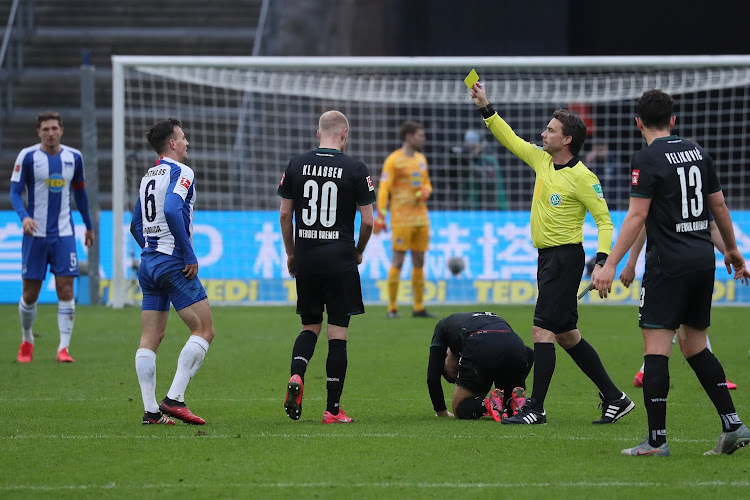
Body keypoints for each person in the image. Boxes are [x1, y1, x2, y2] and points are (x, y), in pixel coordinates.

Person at [593, 89, 750, 456]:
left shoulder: (646, 158)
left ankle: (656, 441)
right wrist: (731, 251)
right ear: (673, 120)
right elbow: (719, 206)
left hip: (668, 265)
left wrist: (612, 264)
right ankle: (733, 425)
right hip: (701, 261)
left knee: (656, 349)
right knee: (695, 345)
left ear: (638, 123)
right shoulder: (699, 153)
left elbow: (636, 216)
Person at [469, 82, 634, 426]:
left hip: (565, 259)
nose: (543, 134)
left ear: (567, 139)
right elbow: (510, 138)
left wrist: (603, 260)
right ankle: (616, 398)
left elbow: (605, 222)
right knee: (566, 335)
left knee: (541, 331)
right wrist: (486, 107)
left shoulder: (583, 177)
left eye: (550, 130)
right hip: (547, 260)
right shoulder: (542, 160)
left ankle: (536, 409)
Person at [278, 110, 375, 424]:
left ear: (319, 134)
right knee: (337, 334)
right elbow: (369, 220)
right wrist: (358, 251)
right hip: (340, 260)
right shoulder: (356, 169)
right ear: (344, 134)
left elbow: (284, 215)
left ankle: (297, 374)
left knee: (309, 327)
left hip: (307, 258)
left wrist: (292, 254)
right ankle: (332, 409)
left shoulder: (296, 164)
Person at [130, 118, 215, 426]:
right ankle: (174, 399)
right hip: (173, 262)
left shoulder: (147, 177)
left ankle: (151, 411)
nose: (187, 142)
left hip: (149, 263)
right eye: (183, 137)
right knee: (204, 330)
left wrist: (151, 249)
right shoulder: (182, 172)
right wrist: (187, 253)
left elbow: (135, 225)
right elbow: (171, 209)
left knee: (150, 337)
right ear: (172, 144)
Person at [10, 111, 94, 364]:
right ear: (39, 132)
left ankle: (63, 348)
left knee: (66, 289)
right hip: (35, 234)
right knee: (30, 294)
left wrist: (88, 226)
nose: (50, 133)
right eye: (45, 129)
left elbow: (80, 194)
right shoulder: (27, 156)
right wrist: (24, 216)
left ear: (61, 130)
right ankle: (27, 340)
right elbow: (15, 192)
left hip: (64, 234)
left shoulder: (74, 157)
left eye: (54, 128)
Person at [621, 219, 738, 389]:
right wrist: (630, 264)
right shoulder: (661, 195)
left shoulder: (695, 196)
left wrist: (731, 252)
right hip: (666, 270)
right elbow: (641, 221)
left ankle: (645, 373)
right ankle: (715, 377)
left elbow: (712, 226)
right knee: (681, 323)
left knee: (686, 324)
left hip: (690, 267)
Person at [374, 121, 435, 318]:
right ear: (408, 136)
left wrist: (426, 190)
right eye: (420, 135)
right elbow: (384, 189)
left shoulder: (421, 159)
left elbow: (427, 184)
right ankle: (392, 307)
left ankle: (418, 307)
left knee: (419, 261)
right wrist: (381, 215)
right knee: (398, 261)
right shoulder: (394, 160)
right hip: (401, 219)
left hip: (421, 218)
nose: (423, 139)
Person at [427, 312, 533, 421]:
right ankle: (513, 402)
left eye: (455, 371)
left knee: (460, 408)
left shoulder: (442, 326)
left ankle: (487, 404)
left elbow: (432, 377)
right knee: (507, 399)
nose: (459, 371)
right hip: (516, 346)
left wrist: (441, 412)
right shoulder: (480, 320)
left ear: (446, 354)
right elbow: (529, 353)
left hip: (481, 344)